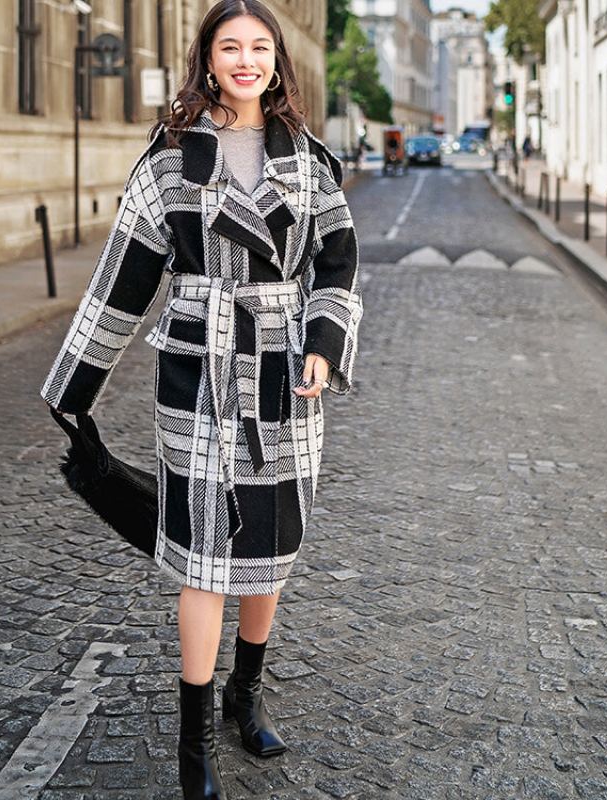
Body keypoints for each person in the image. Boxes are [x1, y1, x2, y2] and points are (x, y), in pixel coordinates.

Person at [39, 2, 362, 798]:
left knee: (268, 557)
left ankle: (243, 697)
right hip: (200, 380)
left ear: (276, 61)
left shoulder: (310, 163)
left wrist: (322, 343)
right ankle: (194, 748)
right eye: (230, 47)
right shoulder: (168, 163)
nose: (246, 60)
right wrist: (73, 392)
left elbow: (339, 257)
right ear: (208, 60)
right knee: (205, 564)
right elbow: (123, 280)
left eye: (260, 47)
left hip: (285, 378)